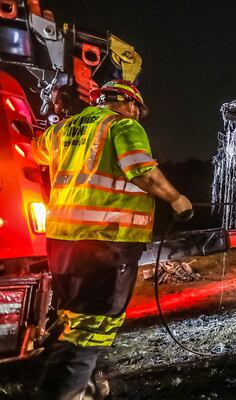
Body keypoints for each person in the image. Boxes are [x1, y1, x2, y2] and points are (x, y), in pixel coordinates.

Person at [32, 80, 193, 399]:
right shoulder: (123, 126)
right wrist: (177, 200)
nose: (136, 114)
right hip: (107, 242)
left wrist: (56, 114)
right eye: (136, 108)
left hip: (61, 243)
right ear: (128, 103)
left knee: (72, 318)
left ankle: (86, 385)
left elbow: (37, 152)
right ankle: (63, 392)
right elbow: (142, 172)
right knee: (92, 328)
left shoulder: (61, 131)